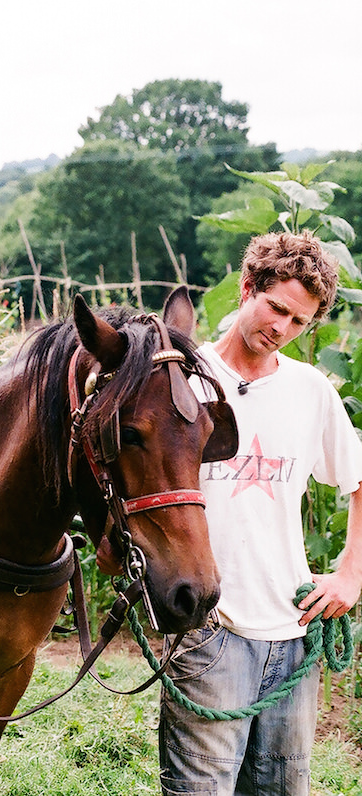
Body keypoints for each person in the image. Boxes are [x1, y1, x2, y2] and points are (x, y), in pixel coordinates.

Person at [159, 230, 362, 795]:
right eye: (276, 308)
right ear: (248, 288)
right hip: (208, 626)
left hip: (295, 629)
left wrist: (351, 572)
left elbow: (360, 479)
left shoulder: (310, 390)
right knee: (201, 789)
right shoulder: (179, 377)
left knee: (282, 790)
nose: (283, 329)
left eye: (299, 322)